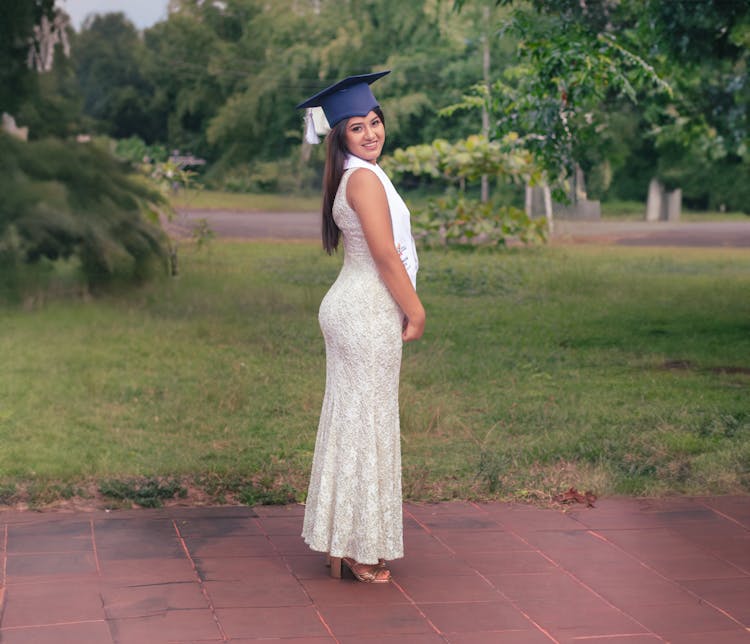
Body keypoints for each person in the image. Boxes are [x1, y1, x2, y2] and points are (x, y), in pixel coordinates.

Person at [296, 71, 425, 583]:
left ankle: (343, 538)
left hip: (351, 307)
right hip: (366, 312)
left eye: (375, 122)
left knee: (353, 424)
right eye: (357, 127)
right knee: (366, 426)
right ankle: (357, 545)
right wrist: (415, 310)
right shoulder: (365, 179)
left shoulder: (352, 175)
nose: (371, 133)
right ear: (340, 137)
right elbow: (385, 257)